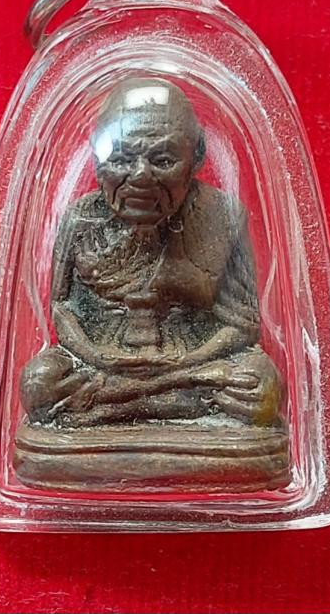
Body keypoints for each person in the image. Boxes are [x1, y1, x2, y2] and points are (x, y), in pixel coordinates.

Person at [20, 78, 283, 429]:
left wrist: (185, 361)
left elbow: (244, 324)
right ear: (97, 158)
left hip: (194, 362)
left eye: (163, 160)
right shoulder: (82, 218)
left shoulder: (221, 216)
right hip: (106, 362)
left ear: (196, 157)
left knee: (260, 386)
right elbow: (62, 308)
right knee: (40, 383)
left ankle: (112, 407)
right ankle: (151, 401)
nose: (141, 176)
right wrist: (96, 355)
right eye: (121, 159)